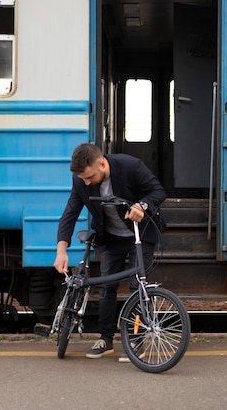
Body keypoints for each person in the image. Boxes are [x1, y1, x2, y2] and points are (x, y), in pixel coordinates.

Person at [53, 143, 166, 362]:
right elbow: (70, 213)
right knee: (106, 288)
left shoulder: (131, 166)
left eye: (89, 177)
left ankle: (136, 338)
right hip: (111, 238)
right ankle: (105, 339)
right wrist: (61, 250)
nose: (86, 182)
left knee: (137, 287)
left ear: (102, 164)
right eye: (83, 179)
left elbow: (158, 191)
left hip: (139, 235)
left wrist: (142, 205)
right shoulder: (80, 179)